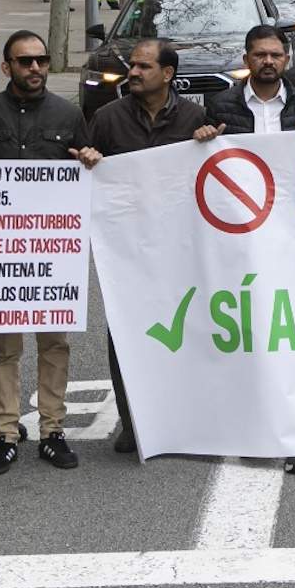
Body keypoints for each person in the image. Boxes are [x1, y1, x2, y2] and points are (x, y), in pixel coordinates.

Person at [79, 41, 224, 458]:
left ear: (168, 74)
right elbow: (89, 170)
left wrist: (206, 142)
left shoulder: (194, 117)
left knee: (188, 330)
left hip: (179, 248)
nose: (134, 72)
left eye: (144, 66)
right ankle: (134, 423)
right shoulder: (107, 118)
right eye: (133, 66)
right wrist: (89, 158)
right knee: (126, 333)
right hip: (127, 250)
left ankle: (186, 417)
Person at [0, 31, 91, 477]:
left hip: (55, 251)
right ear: (7, 67)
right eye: (25, 61)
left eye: (42, 60)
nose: (35, 67)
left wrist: (90, 159)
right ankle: (6, 433)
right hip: (0, 251)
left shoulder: (69, 114)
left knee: (54, 343)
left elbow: (86, 173)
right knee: (2, 346)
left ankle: (53, 430)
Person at [205, 25, 295, 136]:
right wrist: (203, 139)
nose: (268, 61)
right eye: (260, 55)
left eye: (276, 55)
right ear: (246, 60)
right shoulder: (220, 106)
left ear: (286, 60)